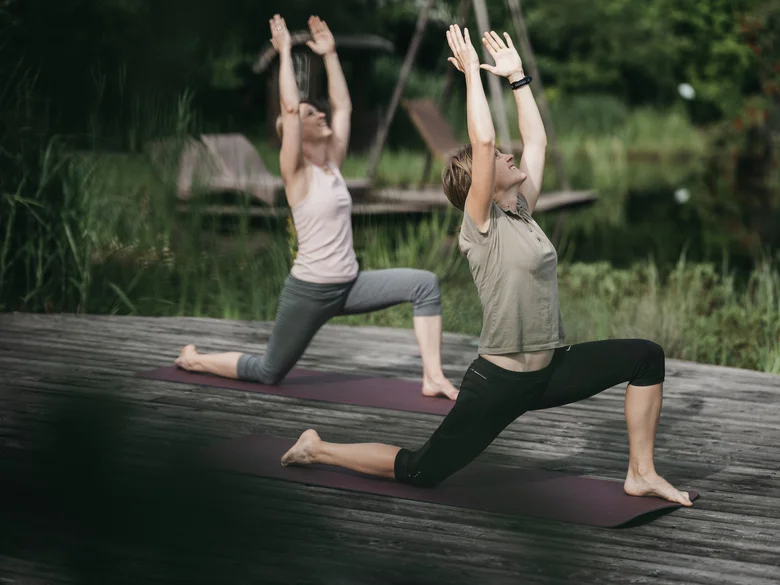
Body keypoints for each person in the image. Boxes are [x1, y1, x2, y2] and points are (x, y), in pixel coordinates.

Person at [280, 25, 693, 507]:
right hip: (500, 382)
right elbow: (482, 141)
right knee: (421, 470)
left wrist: (518, 79)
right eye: (499, 157)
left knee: (646, 356)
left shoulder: (521, 211)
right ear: (480, 178)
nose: (509, 154)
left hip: (550, 371)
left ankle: (641, 473)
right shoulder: (480, 225)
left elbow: (536, 143)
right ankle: (318, 448)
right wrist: (473, 76)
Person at [174, 14, 459, 400]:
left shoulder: (332, 166)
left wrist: (330, 55)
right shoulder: (298, 174)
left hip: (351, 285)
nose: (320, 113)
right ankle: (195, 360)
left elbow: (343, 107)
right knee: (269, 371)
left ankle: (433, 377)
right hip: (310, 292)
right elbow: (291, 109)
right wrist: (285, 53)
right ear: (296, 132)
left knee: (424, 284)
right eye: (312, 114)